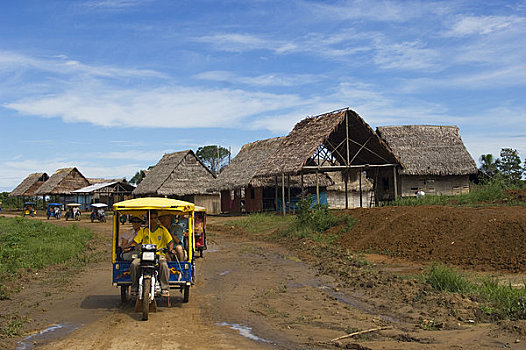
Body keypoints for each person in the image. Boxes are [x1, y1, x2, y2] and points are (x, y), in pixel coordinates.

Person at [126, 210, 173, 297]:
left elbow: (170, 242)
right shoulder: (143, 231)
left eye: (155, 218)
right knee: (134, 264)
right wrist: (130, 247)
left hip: (158, 254)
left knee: (163, 265)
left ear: (157, 219)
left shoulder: (163, 230)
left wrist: (169, 250)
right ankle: (134, 287)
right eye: (151, 218)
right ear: (147, 219)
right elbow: (136, 242)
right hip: (144, 255)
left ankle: (165, 288)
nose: (153, 220)